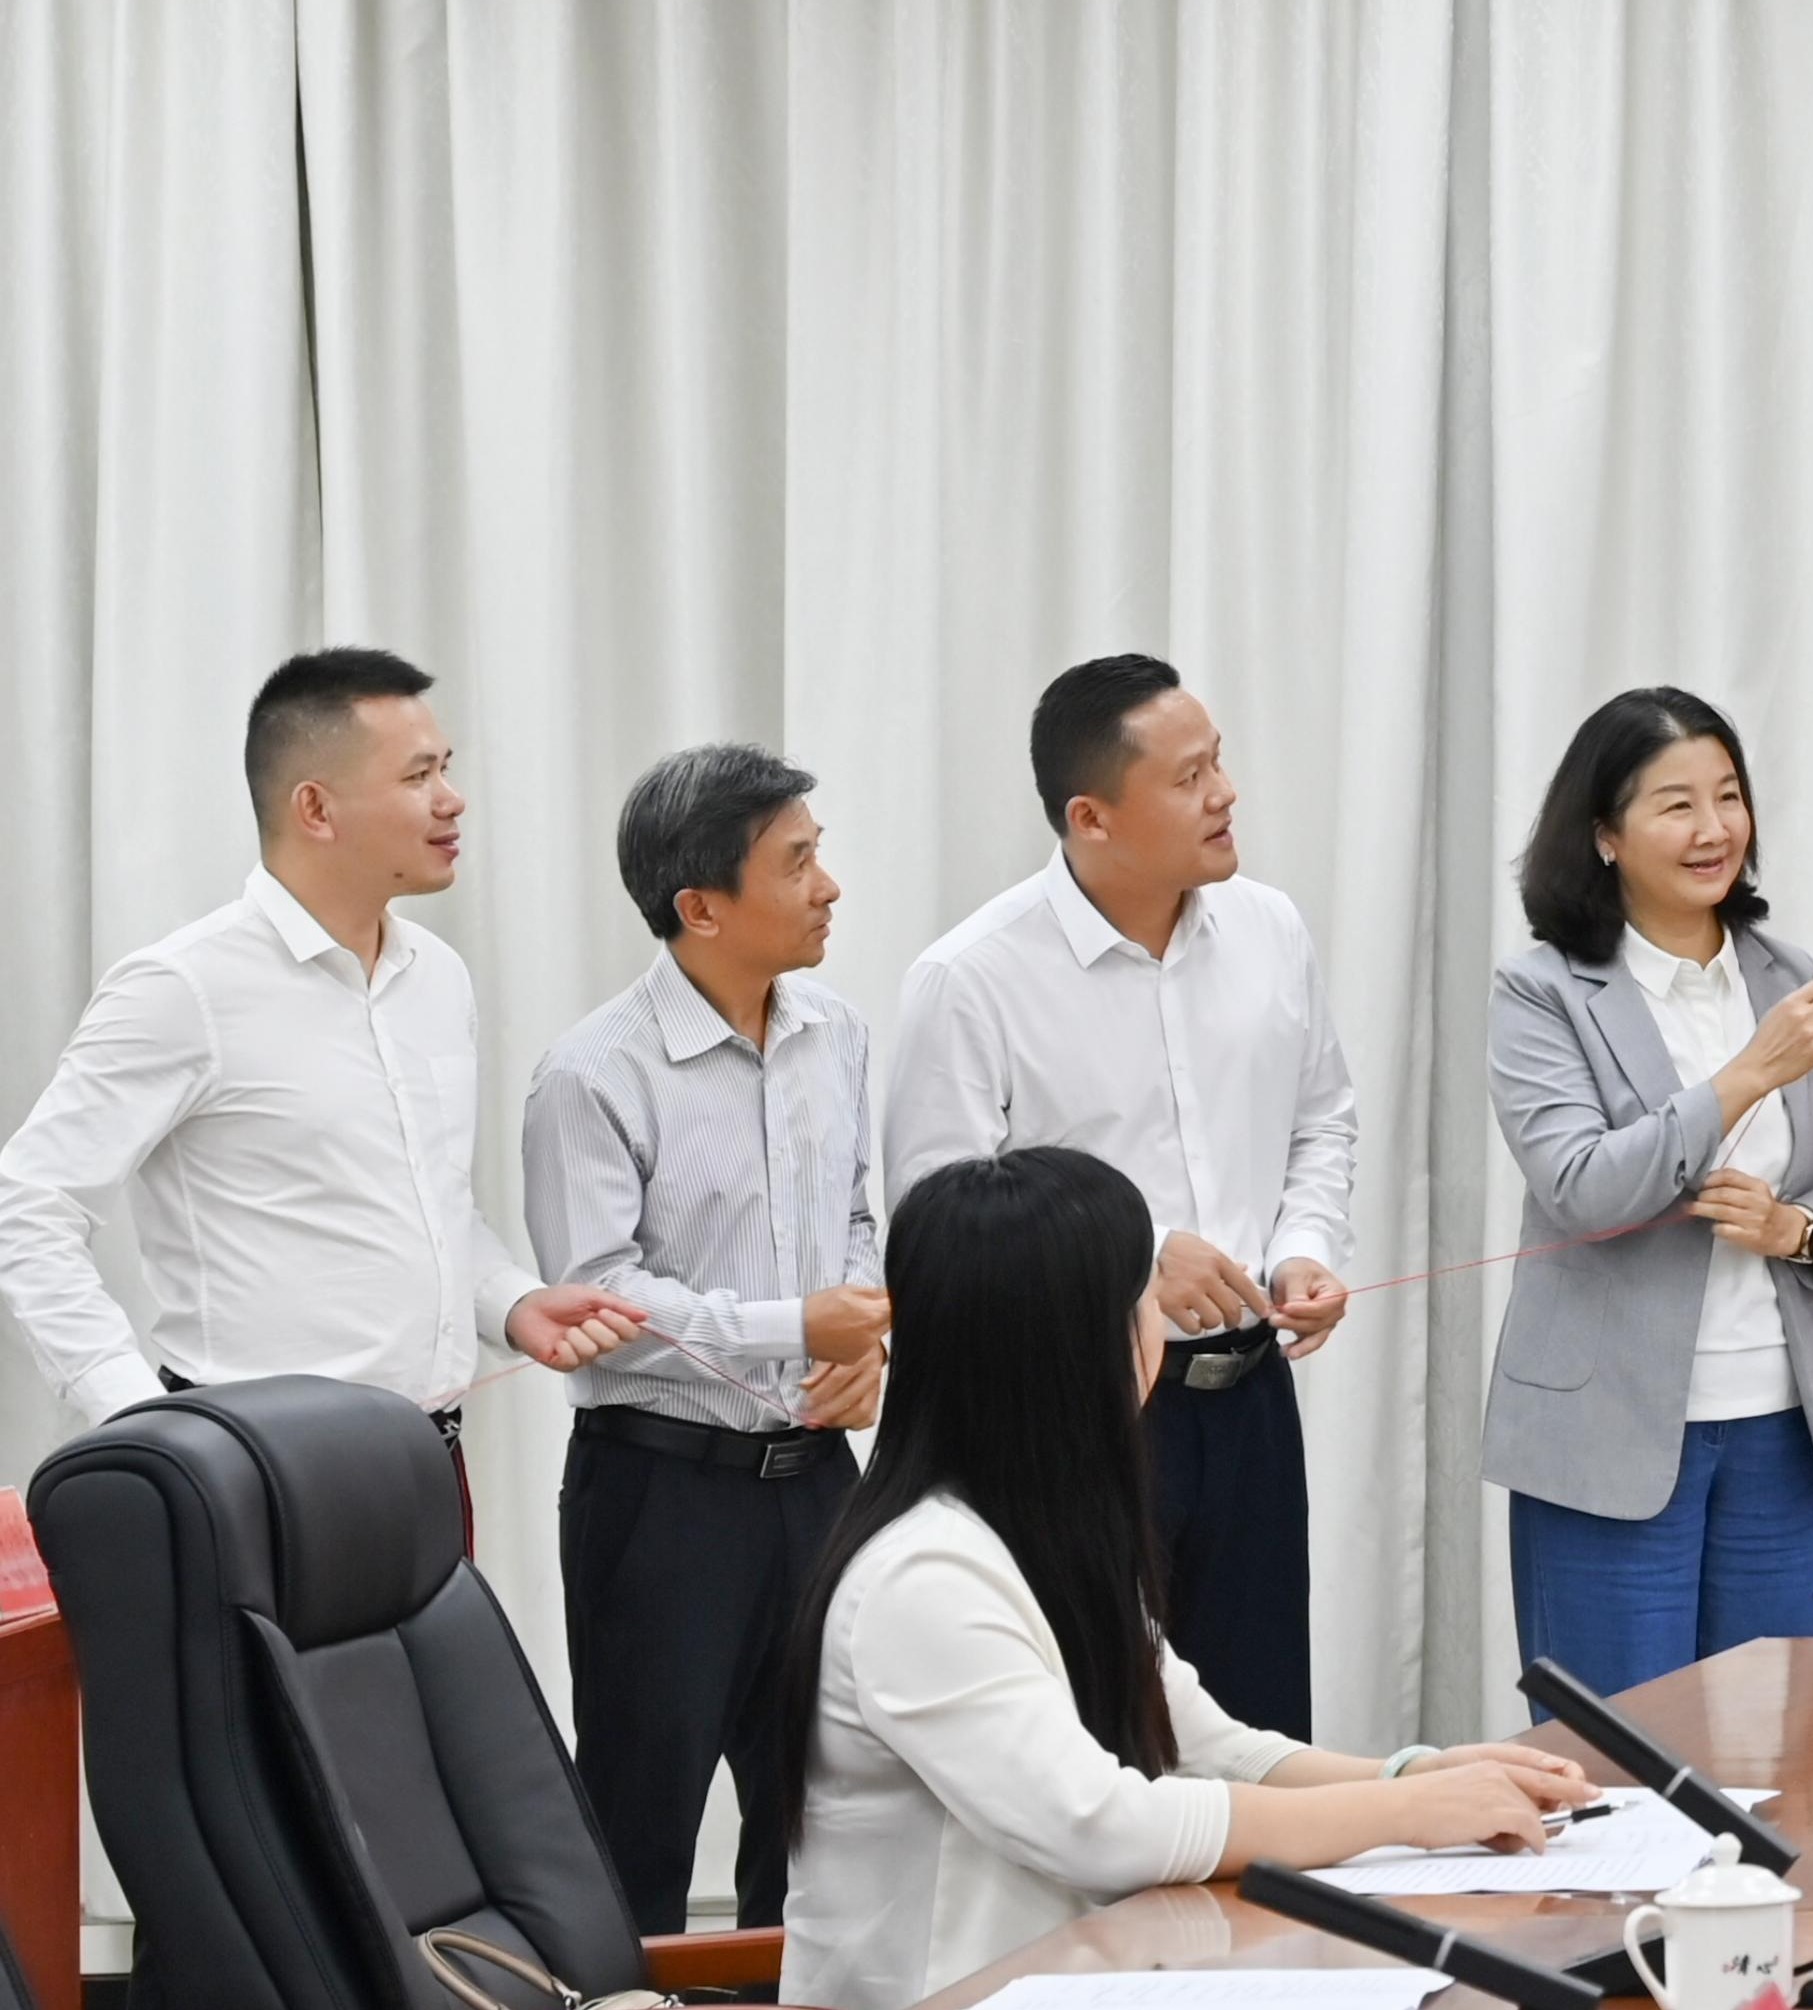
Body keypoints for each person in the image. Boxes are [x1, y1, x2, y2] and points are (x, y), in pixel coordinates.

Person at [768, 1147, 1591, 2010]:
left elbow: (1211, 1747)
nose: (1161, 1328)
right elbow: (1099, 1828)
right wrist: (1406, 1815)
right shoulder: (923, 1576)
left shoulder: (1045, 1531)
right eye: (1146, 1303)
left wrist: (1413, 1776)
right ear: (1081, 1347)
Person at [0, 649, 643, 1477]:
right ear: (315, 807)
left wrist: (512, 1304)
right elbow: (28, 1209)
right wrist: (138, 1421)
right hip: (251, 1470)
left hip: (431, 1457)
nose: (452, 799)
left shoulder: (438, 977)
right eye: (418, 776)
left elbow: (432, 1207)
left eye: (445, 768)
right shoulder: (183, 988)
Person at [887, 655, 1361, 1735]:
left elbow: (1321, 1118)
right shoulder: (972, 977)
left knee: (1255, 1726)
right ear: (1090, 816)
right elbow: (939, 1227)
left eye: (1218, 762)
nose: (1226, 793)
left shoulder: (1270, 928)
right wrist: (1134, 1261)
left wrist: (1303, 1244)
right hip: (1076, 1415)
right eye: (1190, 776)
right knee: (1101, 1734)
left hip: (1250, 1400)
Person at [522, 744, 897, 1934]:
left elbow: (855, 1217)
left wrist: (860, 1340)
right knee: (642, 1823)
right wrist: (797, 1326)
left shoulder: (837, 1031)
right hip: (661, 1497)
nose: (829, 885)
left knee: (828, 1821)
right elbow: (596, 1302)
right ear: (701, 906)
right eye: (797, 862)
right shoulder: (591, 1072)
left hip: (818, 1482)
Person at [1490, 690, 1813, 1695]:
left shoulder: (1786, 973)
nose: (1713, 828)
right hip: (1607, 1440)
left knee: (1778, 1742)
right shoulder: (1542, 988)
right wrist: (1746, 1075)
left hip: (1779, 1425)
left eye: (1728, 796)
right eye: (1676, 804)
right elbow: (1581, 1186)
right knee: (1619, 1747)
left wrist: (1796, 1228)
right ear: (1605, 835)